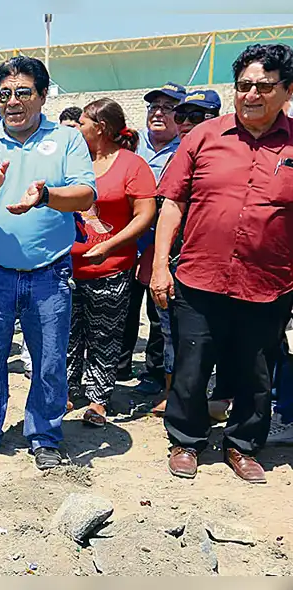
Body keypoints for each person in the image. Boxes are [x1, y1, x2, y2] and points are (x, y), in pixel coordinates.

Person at [151, 43, 293, 484]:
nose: (252, 94)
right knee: (192, 368)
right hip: (200, 277)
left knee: (255, 372)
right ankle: (186, 440)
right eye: (244, 85)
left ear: (287, 91)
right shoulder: (202, 136)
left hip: (268, 283)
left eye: (264, 87)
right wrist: (159, 266)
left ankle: (243, 445)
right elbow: (172, 203)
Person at [0, 56, 96, 470]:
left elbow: (86, 194)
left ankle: (45, 435)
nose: (13, 102)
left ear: (43, 95)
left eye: (23, 93)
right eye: (5, 94)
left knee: (49, 360)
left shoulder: (66, 140)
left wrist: (47, 196)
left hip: (50, 275)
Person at [67, 99, 157, 425]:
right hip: (69, 268)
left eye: (82, 123)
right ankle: (67, 391)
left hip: (111, 268)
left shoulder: (131, 165)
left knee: (104, 335)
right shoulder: (75, 162)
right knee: (68, 335)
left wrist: (111, 245)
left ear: (100, 127)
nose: (77, 129)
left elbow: (145, 214)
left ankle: (98, 401)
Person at [149, 89, 221, 417]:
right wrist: (157, 262)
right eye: (182, 116)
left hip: (217, 262)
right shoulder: (177, 157)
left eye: (197, 116)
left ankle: (217, 396)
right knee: (172, 333)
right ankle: (175, 395)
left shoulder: (227, 155)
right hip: (178, 261)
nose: (187, 123)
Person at [118, 82, 185, 391]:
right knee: (123, 306)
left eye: (167, 108)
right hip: (128, 239)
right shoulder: (130, 144)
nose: (158, 113)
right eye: (153, 107)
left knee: (160, 313)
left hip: (166, 244)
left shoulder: (186, 149)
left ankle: (155, 372)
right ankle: (118, 365)